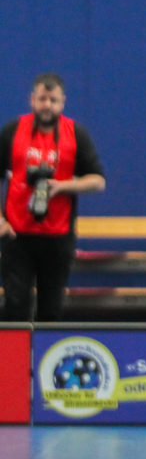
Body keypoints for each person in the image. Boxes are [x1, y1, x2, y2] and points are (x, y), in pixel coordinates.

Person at [0, 73, 106, 321]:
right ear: (32, 100)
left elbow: (98, 181)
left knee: (52, 308)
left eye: (53, 100)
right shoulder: (12, 131)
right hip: (16, 235)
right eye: (42, 99)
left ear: (63, 102)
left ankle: (46, 359)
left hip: (58, 237)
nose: (47, 105)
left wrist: (61, 186)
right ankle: (13, 360)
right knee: (15, 305)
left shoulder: (76, 134)